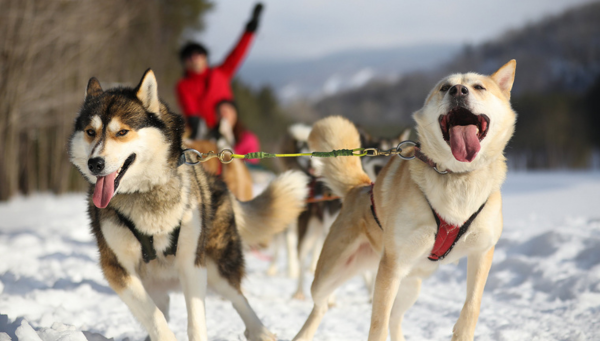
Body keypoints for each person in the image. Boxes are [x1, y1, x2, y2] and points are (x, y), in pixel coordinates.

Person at [177, 3, 263, 139]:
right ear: (185, 62)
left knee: (250, 142)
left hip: (232, 131)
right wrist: (196, 123)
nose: (195, 58)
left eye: (198, 53)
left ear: (205, 57)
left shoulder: (221, 72)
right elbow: (190, 109)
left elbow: (238, 53)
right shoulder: (184, 85)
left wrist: (250, 29)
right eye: (189, 56)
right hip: (203, 135)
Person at [215, 100, 261, 165]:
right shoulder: (212, 136)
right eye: (219, 113)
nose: (222, 116)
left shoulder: (248, 139)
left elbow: (250, 165)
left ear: (234, 113)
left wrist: (228, 138)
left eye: (225, 112)